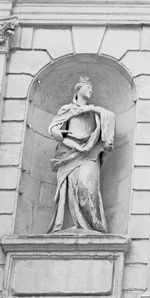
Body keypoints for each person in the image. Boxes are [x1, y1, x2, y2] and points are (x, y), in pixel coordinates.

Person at [47, 76, 115, 233]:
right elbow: (53, 127)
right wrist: (57, 132)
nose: (90, 90)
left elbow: (110, 116)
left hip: (89, 154)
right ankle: (73, 224)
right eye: (87, 87)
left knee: (85, 186)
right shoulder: (67, 109)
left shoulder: (95, 112)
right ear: (78, 90)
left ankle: (92, 225)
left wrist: (91, 109)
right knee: (70, 190)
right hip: (69, 153)